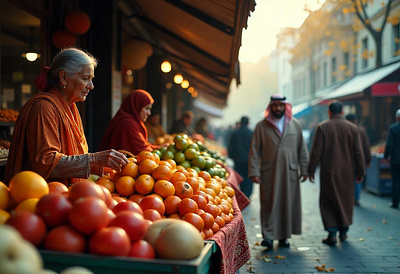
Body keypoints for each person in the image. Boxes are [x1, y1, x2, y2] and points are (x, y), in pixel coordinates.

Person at [4, 47, 129, 186]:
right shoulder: (43, 108)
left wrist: (105, 165)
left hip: (64, 194)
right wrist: (94, 159)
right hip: (41, 195)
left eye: (91, 79)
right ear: (64, 77)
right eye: (85, 79)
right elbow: (46, 162)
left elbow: (73, 158)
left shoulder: (71, 107)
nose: (91, 86)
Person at [248, 94, 309, 250]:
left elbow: (302, 148)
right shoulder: (261, 126)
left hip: (290, 172)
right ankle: (268, 236)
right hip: (269, 172)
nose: (278, 108)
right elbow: (254, 150)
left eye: (281, 106)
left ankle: (283, 236)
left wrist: (305, 169)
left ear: (285, 107)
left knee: (287, 203)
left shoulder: (295, 125)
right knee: (269, 203)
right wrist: (254, 171)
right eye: (275, 106)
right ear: (271, 107)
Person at [308, 101, 365, 246]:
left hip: (329, 171)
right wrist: (360, 171)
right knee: (346, 199)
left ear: (329, 112)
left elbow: (316, 152)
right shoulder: (353, 128)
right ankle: (344, 231)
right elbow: (358, 152)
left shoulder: (323, 127)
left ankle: (332, 233)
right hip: (347, 171)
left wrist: (311, 170)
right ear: (342, 112)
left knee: (328, 200)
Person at [99, 89, 163, 155]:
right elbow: (143, 152)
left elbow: (143, 145)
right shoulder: (128, 123)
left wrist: (159, 148)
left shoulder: (131, 121)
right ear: (136, 106)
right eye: (147, 108)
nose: (149, 113)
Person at [345, 113, 372, 206]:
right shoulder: (361, 130)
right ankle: (355, 198)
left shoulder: (344, 130)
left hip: (346, 160)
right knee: (357, 179)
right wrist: (368, 160)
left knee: (347, 179)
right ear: (355, 120)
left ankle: (348, 197)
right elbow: (366, 147)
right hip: (359, 159)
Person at [228, 116, 253, 198]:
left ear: (240, 122)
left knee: (239, 177)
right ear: (248, 123)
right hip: (248, 160)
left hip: (238, 160)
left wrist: (231, 156)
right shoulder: (251, 133)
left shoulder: (235, 133)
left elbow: (231, 146)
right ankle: (246, 195)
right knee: (248, 179)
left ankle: (240, 194)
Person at [383, 109, 400, 209]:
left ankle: (395, 202)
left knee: (396, 181)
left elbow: (389, 144)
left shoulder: (393, 128)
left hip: (396, 159)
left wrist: (386, 156)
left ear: (397, 118)